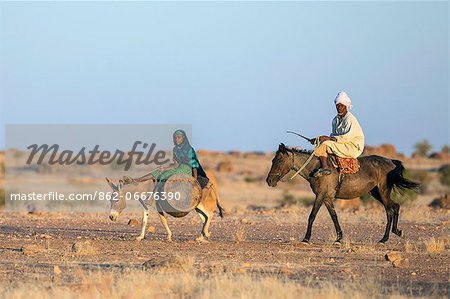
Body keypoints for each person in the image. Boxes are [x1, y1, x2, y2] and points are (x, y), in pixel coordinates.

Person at [311, 91, 365, 177]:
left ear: (346, 106)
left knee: (325, 144)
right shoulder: (335, 120)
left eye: (341, 105)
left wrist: (327, 139)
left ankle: (325, 167)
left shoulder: (350, 119)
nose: (339, 107)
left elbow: (346, 138)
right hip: (342, 144)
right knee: (321, 143)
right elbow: (334, 135)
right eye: (337, 105)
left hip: (352, 146)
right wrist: (318, 139)